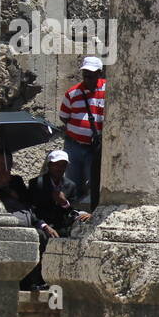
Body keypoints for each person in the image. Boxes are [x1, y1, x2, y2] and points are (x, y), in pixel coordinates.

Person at [0, 152, 57, 290]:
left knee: (44, 234)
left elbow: (28, 205)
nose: (2, 167)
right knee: (33, 236)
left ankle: (37, 280)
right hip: (6, 224)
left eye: (4, 164)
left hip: (27, 221)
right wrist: (1, 186)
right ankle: (26, 282)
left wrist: (44, 225)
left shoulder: (16, 181)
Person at [57, 55, 105, 205]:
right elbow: (64, 117)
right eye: (85, 75)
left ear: (99, 74)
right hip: (75, 145)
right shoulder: (72, 93)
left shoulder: (109, 90)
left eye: (91, 75)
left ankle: (90, 212)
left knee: (93, 182)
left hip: (95, 146)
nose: (88, 78)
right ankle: (73, 214)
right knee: (72, 182)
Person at [27, 149, 91, 237]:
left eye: (63, 165)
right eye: (56, 165)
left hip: (62, 227)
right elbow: (31, 209)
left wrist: (64, 203)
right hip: (42, 225)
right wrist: (44, 226)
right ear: (49, 165)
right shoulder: (36, 183)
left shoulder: (70, 185)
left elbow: (72, 209)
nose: (60, 168)